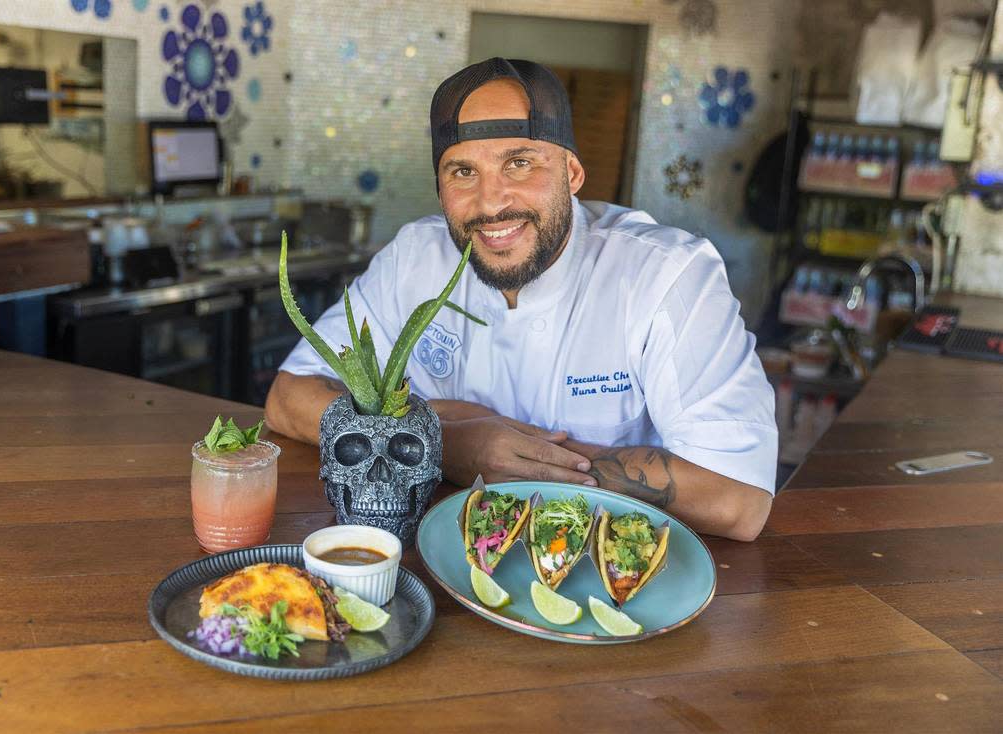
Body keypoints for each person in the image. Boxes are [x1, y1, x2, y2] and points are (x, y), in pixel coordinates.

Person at [266, 58, 777, 542]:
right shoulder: (415, 258)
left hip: (597, 577)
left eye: (520, 163)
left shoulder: (666, 274)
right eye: (463, 172)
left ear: (572, 174)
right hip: (433, 557)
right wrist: (453, 441)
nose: (491, 203)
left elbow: (738, 499)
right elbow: (288, 400)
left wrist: (484, 444)